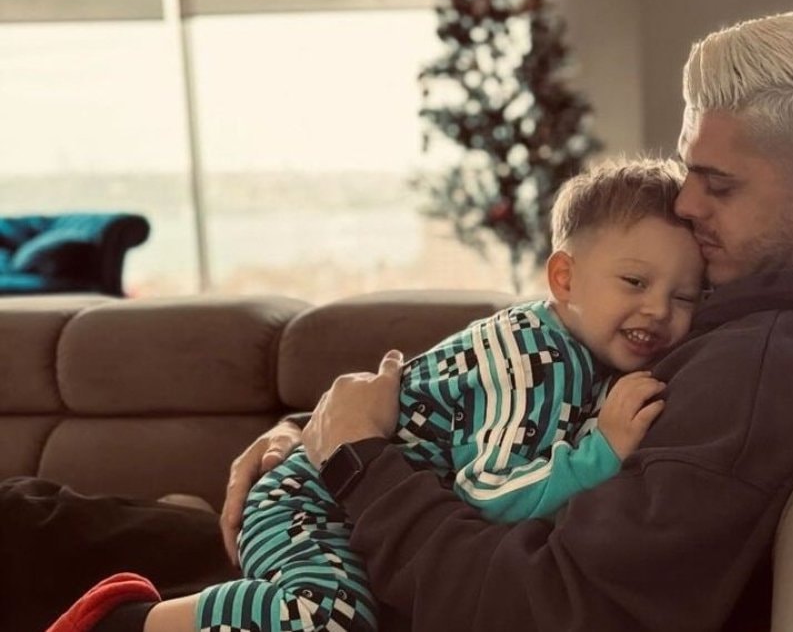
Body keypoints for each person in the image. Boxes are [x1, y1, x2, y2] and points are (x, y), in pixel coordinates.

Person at [219, 10, 793, 630]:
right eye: (688, 170)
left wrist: (355, 458)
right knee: (160, 525)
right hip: (349, 526)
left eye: (718, 185)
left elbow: (539, 606)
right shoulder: (758, 291)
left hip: (358, 586)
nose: (685, 203)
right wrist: (313, 432)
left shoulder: (758, 381)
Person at [47, 160, 705, 631]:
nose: (659, 309)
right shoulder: (542, 359)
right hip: (311, 498)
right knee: (326, 617)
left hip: (336, 507)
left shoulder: (570, 349)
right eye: (634, 281)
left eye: (684, 296)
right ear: (564, 277)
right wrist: (600, 451)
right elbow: (489, 489)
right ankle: (121, 619)